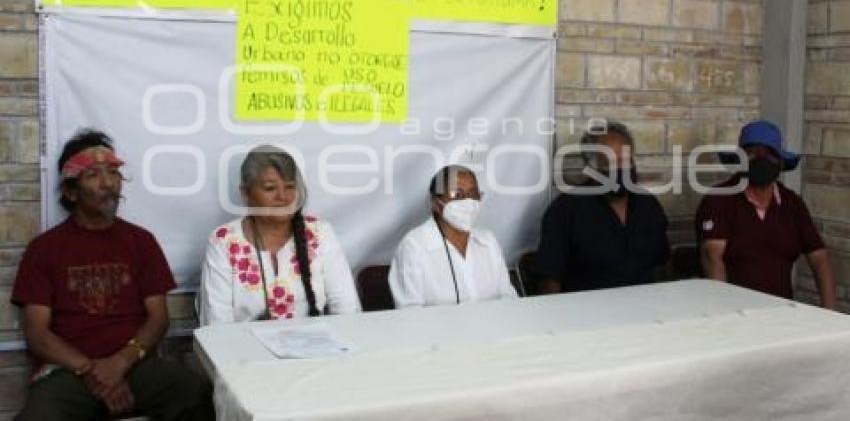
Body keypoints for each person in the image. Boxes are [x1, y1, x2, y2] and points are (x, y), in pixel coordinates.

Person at [11, 129, 213, 420]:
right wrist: (92, 371)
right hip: (68, 372)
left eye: (113, 173)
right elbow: (38, 334)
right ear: (70, 191)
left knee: (197, 393)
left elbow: (158, 319)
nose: (108, 184)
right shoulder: (44, 249)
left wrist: (119, 364)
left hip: (134, 365)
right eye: (93, 175)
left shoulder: (140, 241)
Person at [199, 145, 360, 324]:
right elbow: (216, 326)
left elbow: (347, 310)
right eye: (270, 188)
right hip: (244, 350)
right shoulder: (223, 241)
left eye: (290, 186)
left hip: (318, 348)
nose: (283, 197)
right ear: (245, 194)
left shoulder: (319, 232)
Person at [697, 120, 836, 308]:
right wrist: (722, 316)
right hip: (735, 313)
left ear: (780, 162)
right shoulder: (719, 199)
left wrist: (830, 314)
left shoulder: (792, 204)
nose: (761, 159)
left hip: (781, 314)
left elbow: (819, 258)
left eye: (769, 154)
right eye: (752, 153)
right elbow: (712, 258)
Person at [535, 120, 670, 293]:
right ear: (593, 168)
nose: (621, 169)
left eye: (626, 161)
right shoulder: (565, 211)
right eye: (611, 164)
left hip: (648, 310)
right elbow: (550, 280)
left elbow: (662, 265)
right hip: (587, 313)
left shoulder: (648, 204)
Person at [388, 165, 517, 307]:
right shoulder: (414, 247)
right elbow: (411, 314)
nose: (468, 202)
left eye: (473, 194)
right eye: (458, 195)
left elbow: (508, 299)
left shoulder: (488, 241)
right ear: (435, 203)